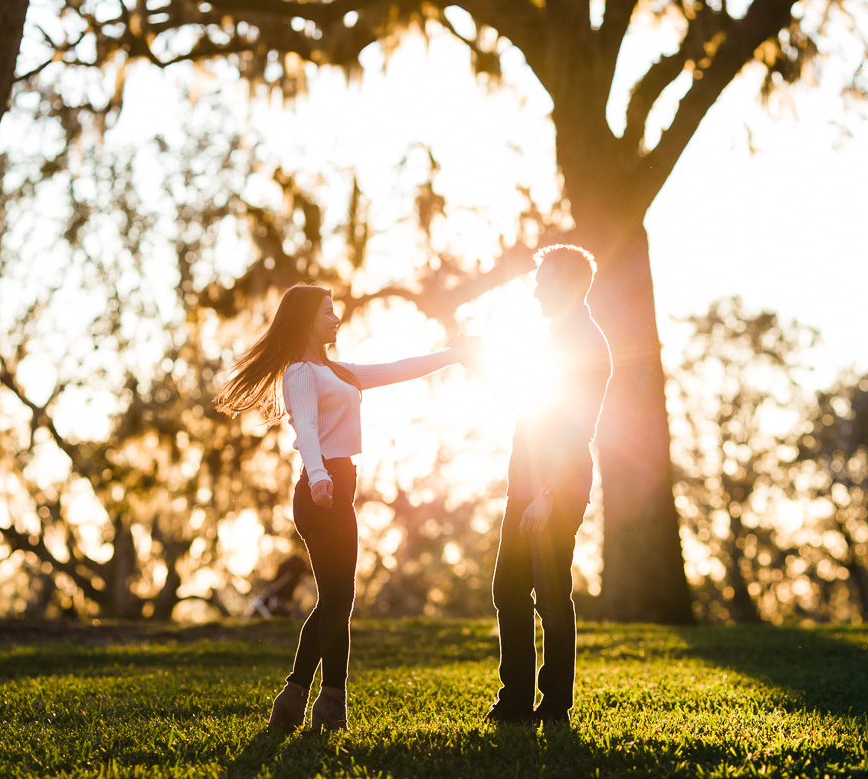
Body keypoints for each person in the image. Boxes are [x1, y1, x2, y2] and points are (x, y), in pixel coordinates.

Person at [214, 284, 471, 732]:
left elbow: (396, 369)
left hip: (338, 485)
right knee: (338, 599)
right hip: (322, 487)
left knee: (338, 599)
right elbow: (307, 433)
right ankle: (319, 702)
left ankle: (302, 700)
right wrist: (318, 478)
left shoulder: (338, 371)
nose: (336, 319)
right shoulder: (300, 373)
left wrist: (451, 354)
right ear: (306, 320)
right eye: (327, 313)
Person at [477, 244, 612, 728]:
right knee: (508, 591)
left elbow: (578, 430)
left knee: (551, 598)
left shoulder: (587, 344)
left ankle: (554, 708)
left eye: (543, 282)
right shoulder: (553, 338)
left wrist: (548, 495)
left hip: (554, 490)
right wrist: (481, 367)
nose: (535, 292)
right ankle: (514, 701)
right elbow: (527, 404)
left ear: (571, 285)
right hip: (527, 488)